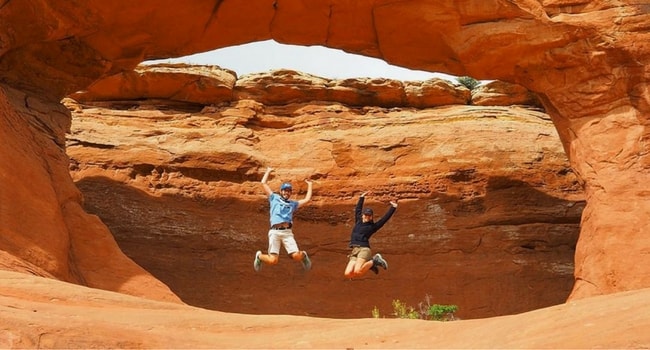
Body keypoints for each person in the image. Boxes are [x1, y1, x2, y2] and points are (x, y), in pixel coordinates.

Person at [254, 167, 313, 272]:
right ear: (281, 191)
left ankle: (304, 256)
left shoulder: (292, 204)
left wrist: (310, 185)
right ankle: (259, 256)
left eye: (289, 191)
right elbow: (263, 183)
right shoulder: (274, 198)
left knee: (296, 256)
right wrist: (268, 171)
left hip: (287, 232)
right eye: (285, 190)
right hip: (274, 232)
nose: (287, 192)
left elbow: (307, 199)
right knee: (273, 261)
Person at [344, 191, 398, 279]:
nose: (367, 217)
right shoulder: (358, 221)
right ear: (362, 215)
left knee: (358, 271)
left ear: (371, 217)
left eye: (369, 215)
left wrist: (393, 207)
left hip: (364, 249)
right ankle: (370, 265)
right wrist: (361, 197)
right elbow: (358, 209)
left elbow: (384, 219)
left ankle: (374, 260)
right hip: (354, 250)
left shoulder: (372, 227)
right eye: (365, 215)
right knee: (348, 274)